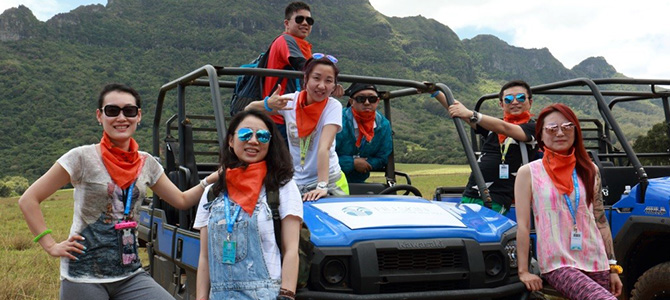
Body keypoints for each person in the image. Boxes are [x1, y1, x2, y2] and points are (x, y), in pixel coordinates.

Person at [18, 83, 216, 299]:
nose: (121, 118)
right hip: (84, 276)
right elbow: (29, 199)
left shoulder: (147, 163)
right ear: (99, 115)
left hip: (130, 275)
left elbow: (181, 200)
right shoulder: (81, 158)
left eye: (129, 111)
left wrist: (213, 179)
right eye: (112, 111)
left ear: (138, 116)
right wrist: (50, 244)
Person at [515, 103, 623, 300]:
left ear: (576, 131)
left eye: (567, 127)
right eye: (552, 128)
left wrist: (613, 267)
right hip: (558, 262)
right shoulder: (529, 172)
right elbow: (523, 225)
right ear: (541, 134)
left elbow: (599, 220)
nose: (560, 133)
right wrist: (523, 271)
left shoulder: (590, 170)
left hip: (596, 259)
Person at [193, 110, 302, 300]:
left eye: (262, 136)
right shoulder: (213, 192)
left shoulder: (282, 186)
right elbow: (204, 257)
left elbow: (291, 249)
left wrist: (287, 296)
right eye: (245, 134)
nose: (253, 140)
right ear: (230, 141)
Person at [247, 55, 347, 201]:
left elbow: (323, 148)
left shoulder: (332, 106)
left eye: (328, 81)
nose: (321, 86)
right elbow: (248, 110)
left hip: (328, 181)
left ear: (334, 86)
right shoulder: (291, 101)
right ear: (306, 79)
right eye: (316, 78)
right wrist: (267, 103)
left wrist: (322, 185)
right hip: (296, 183)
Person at [447, 80, 538, 214]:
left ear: (530, 102)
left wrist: (472, 114)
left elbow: (505, 128)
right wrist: (437, 92)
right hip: (471, 192)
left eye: (520, 97)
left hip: (497, 198)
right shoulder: (492, 128)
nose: (514, 102)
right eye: (508, 99)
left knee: (485, 231)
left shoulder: (533, 128)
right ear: (501, 104)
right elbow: (460, 112)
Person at [264, 1, 314, 143]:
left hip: (289, 114)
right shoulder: (286, 40)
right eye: (299, 19)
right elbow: (303, 66)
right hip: (280, 116)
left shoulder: (301, 45)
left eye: (309, 20)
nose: (305, 23)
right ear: (286, 23)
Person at [335, 83, 392, 183]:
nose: (367, 103)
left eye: (372, 99)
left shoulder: (383, 125)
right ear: (351, 101)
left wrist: (365, 163)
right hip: (330, 178)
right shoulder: (337, 120)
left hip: (359, 181)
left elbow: (383, 157)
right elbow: (324, 154)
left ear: (377, 101)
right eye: (361, 99)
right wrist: (352, 163)